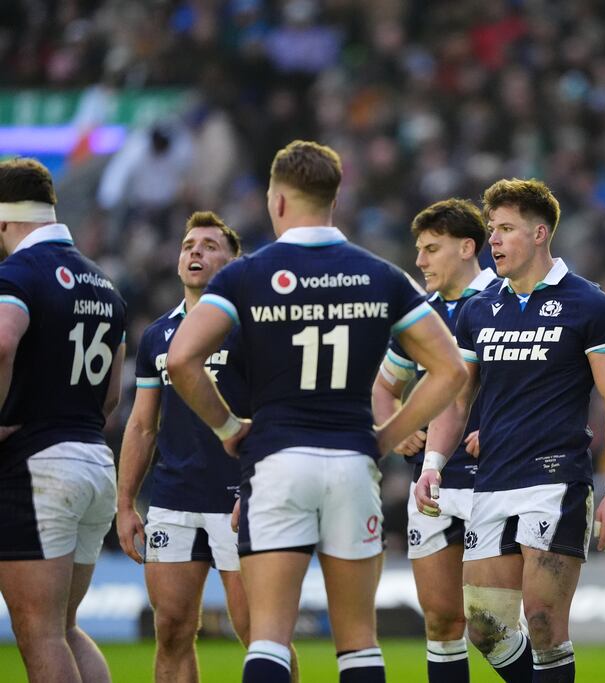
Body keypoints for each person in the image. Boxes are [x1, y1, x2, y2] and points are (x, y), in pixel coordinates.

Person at [166, 140, 467, 683]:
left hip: (277, 462)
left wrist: (228, 428)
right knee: (358, 642)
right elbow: (451, 370)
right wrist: (384, 435)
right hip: (352, 464)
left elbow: (182, 358)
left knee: (269, 639)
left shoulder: (246, 275)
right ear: (335, 197)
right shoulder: (380, 275)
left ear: (277, 201)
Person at [415, 178, 605, 683]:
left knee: (541, 621)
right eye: (491, 229)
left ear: (540, 234)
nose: (493, 240)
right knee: (486, 628)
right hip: (490, 481)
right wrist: (433, 464)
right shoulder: (478, 308)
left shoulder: (590, 305)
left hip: (556, 481)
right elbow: (457, 396)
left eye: (506, 229)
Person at [116, 211, 298, 682]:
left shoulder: (256, 327)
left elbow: (282, 415)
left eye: (210, 245)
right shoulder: (158, 333)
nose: (195, 251)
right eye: (188, 245)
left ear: (235, 261)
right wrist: (125, 503)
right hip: (174, 499)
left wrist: (260, 489)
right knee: (171, 629)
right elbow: (141, 426)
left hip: (238, 499)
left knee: (257, 632)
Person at [0, 157, 127, 682]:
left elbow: (3, 339)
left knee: (39, 631)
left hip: (39, 470)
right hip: (94, 459)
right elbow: (111, 394)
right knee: (66, 627)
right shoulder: (103, 284)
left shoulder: (17, 274)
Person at [371, 198, 497, 683]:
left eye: (431, 248)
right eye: (418, 250)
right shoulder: (420, 316)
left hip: (497, 479)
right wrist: (400, 427)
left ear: (467, 248)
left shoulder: (503, 302)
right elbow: (384, 387)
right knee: (442, 621)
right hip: (435, 482)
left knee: (493, 625)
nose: (420, 260)